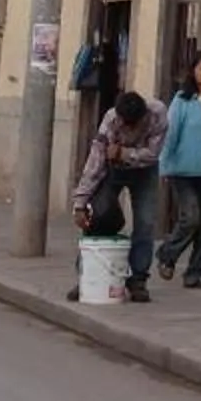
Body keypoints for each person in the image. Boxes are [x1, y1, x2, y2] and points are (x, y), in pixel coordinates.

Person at [70, 90, 164, 301]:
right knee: (97, 217)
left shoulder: (158, 115)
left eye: (134, 125)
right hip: (113, 169)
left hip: (145, 172)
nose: (129, 129)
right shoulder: (111, 121)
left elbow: (153, 154)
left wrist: (124, 153)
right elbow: (95, 163)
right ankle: (87, 276)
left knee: (146, 222)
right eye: (125, 124)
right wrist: (80, 203)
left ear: (144, 117)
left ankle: (138, 279)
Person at [154, 51, 201, 290]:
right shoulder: (182, 100)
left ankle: (196, 273)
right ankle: (166, 254)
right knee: (191, 218)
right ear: (194, 71)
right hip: (183, 172)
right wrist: (164, 165)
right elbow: (171, 134)